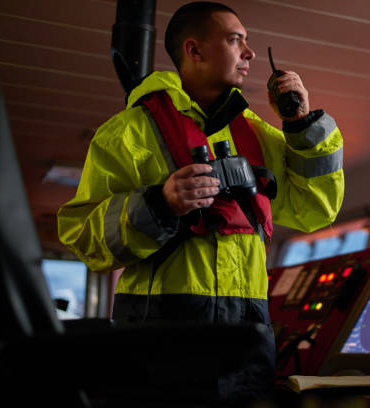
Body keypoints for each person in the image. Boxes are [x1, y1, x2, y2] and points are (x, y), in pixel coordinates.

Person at [57, 1, 343, 403]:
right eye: (235, 40)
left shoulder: (259, 136)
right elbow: (81, 237)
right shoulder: (126, 134)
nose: (250, 53)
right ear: (194, 51)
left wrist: (301, 126)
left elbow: (315, 209)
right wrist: (159, 204)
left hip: (247, 340)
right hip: (158, 343)